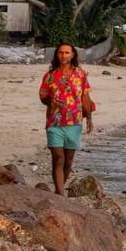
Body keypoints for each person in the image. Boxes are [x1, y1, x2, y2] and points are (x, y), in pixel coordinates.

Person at [38, 43, 93, 194]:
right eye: (61, 53)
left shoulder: (81, 74)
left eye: (67, 53)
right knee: (58, 158)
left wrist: (89, 118)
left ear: (73, 55)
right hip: (54, 122)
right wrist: (51, 101)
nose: (64, 55)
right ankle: (61, 194)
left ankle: (58, 191)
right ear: (57, 55)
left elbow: (85, 97)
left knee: (68, 161)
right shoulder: (50, 76)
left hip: (75, 122)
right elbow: (43, 97)